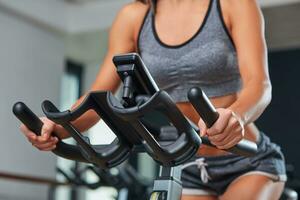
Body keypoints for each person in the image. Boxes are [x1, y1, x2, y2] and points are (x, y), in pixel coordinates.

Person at [20, 0, 287, 199]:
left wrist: (237, 115)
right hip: (186, 161)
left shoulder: (233, 4)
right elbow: (96, 101)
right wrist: (53, 127)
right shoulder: (135, 17)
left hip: (246, 160)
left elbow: (259, 85)